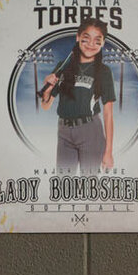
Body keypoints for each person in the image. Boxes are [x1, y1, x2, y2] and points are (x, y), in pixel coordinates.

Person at [38, 17, 115, 173]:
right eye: (86, 39)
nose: (91, 44)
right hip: (64, 132)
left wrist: (108, 152)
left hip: (90, 131)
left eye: (97, 40)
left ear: (103, 42)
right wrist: (47, 89)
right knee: (64, 185)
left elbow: (108, 114)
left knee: (90, 185)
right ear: (78, 37)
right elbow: (46, 106)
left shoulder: (104, 71)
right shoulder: (63, 66)